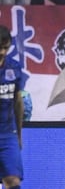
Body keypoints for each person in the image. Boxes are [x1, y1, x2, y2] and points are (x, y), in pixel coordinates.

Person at [0, 25, 24, 189]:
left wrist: (19, 135)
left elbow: (18, 101)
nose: (2, 52)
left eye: (6, 48)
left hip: (7, 133)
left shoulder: (14, 68)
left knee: (13, 181)